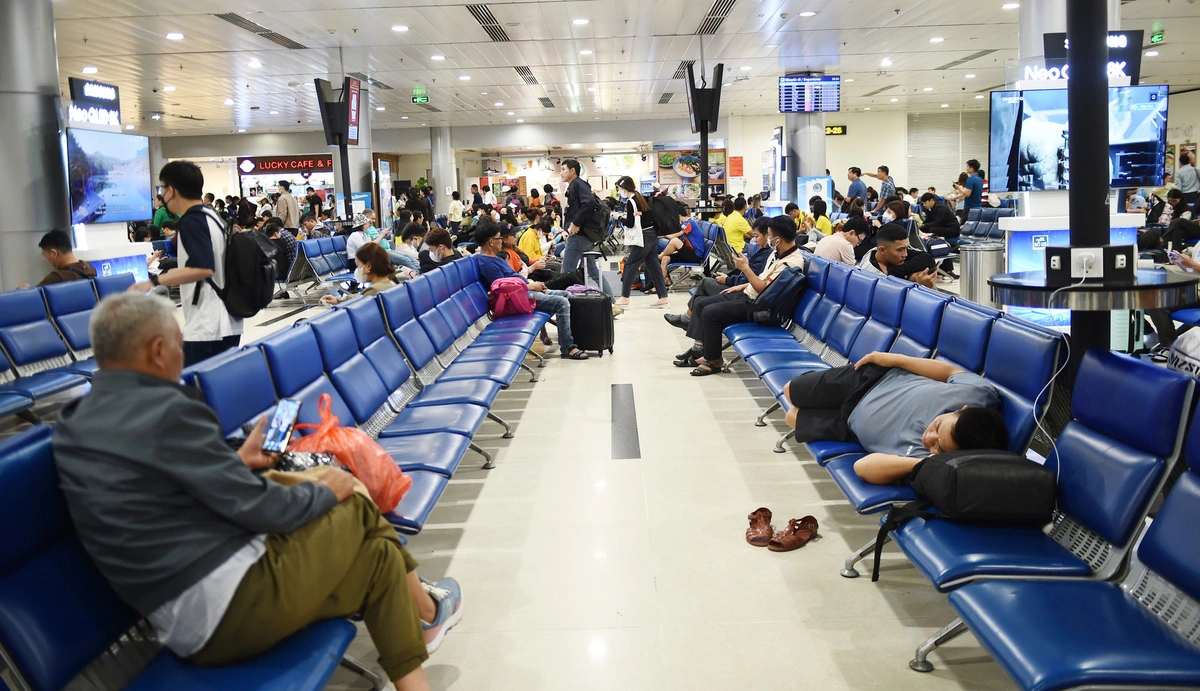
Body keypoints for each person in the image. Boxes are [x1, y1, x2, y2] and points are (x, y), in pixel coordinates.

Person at [53, 292, 461, 690]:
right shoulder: (166, 409)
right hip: (231, 604)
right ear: (158, 350)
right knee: (354, 500)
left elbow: (156, 492)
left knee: (378, 555)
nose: (181, 358)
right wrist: (330, 491)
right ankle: (427, 610)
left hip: (183, 623)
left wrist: (235, 463)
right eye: (179, 346)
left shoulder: (75, 423)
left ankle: (419, 656)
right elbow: (264, 511)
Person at [782, 350, 1007, 485]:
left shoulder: (929, 459)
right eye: (938, 426)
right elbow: (951, 372)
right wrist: (896, 359)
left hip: (850, 427)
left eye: (938, 445)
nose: (928, 438)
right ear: (964, 409)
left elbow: (863, 468)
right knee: (790, 391)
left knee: (792, 417)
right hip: (872, 381)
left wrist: (928, 461)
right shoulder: (979, 393)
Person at [130, 161, 242, 367]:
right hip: (227, 319)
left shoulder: (192, 221)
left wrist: (152, 282)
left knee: (197, 390)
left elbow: (203, 268)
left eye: (163, 188)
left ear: (172, 190)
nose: (162, 194)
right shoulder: (211, 216)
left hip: (208, 324)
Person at [677, 216, 807, 376]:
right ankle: (704, 352)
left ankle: (714, 361)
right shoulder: (777, 253)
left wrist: (745, 268)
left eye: (770, 235)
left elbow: (763, 289)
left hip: (760, 306)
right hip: (749, 295)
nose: (769, 239)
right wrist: (740, 286)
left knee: (710, 313)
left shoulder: (792, 263)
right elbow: (763, 280)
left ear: (778, 239)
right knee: (702, 303)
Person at [473, 222, 589, 360]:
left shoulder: (495, 259)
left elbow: (512, 280)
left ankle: (575, 337)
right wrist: (532, 287)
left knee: (567, 295)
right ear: (491, 242)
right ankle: (567, 347)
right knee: (562, 302)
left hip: (523, 292)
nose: (501, 242)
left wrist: (532, 284)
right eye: (499, 238)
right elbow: (503, 290)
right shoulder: (488, 264)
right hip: (516, 299)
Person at [664, 217, 774, 331]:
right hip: (742, 288)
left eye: (757, 236)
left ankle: (687, 320)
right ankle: (695, 338)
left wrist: (728, 280)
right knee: (700, 299)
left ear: (768, 235)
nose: (754, 240)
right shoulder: (765, 253)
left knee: (705, 285)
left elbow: (750, 279)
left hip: (744, 294)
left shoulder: (766, 255)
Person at [614, 175, 669, 308]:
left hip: (643, 237)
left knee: (630, 264)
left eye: (619, 188)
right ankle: (663, 296)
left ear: (624, 188)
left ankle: (625, 297)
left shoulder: (631, 201)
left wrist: (619, 217)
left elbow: (630, 223)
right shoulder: (640, 198)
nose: (619, 192)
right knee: (654, 266)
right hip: (651, 234)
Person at [559, 159, 605, 291]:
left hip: (579, 236)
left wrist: (575, 223)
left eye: (563, 169)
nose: (561, 173)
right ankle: (611, 302)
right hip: (584, 235)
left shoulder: (578, 183)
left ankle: (564, 305)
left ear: (572, 171)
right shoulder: (575, 185)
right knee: (593, 272)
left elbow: (588, 203)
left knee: (566, 273)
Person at [857, 221, 937, 288]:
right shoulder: (876, 277)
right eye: (900, 250)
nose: (905, 254)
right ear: (882, 250)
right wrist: (920, 287)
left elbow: (928, 259)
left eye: (906, 248)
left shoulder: (879, 250)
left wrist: (896, 271)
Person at [323, 243, 401, 305]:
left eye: (358, 266)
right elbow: (360, 296)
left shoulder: (374, 290)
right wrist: (338, 300)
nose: (358, 270)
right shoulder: (391, 283)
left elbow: (359, 299)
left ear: (368, 266)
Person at [19, 229, 97, 288]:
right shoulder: (91, 269)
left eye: (45, 255)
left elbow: (33, 298)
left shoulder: (57, 278)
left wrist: (23, 290)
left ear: (54, 253)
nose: (46, 259)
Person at [658, 209, 708, 281]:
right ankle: (663, 282)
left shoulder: (689, 223)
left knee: (674, 241)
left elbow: (674, 237)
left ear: (679, 215)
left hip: (695, 255)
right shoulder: (686, 223)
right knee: (665, 258)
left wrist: (662, 236)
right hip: (689, 252)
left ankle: (660, 256)